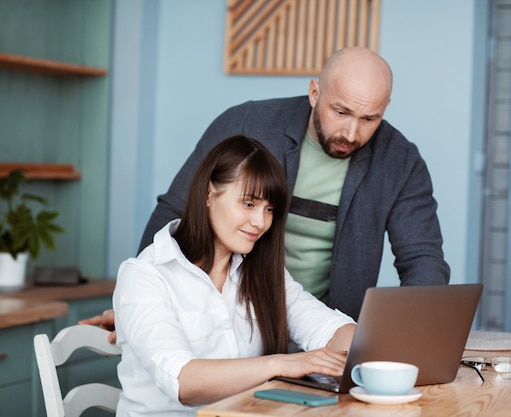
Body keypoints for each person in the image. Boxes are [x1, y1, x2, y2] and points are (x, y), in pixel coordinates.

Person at [83, 46, 450, 340]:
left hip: (325, 328)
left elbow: (423, 260)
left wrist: (408, 335)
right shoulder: (247, 125)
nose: (352, 133)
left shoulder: (401, 161)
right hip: (237, 326)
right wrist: (137, 302)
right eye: (341, 112)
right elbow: (178, 208)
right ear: (314, 92)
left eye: (369, 119)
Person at [113, 135, 355, 416]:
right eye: (249, 204)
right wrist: (283, 364)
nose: (261, 222)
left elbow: (324, 328)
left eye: (269, 210)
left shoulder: (261, 271)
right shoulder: (144, 276)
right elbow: (183, 381)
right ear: (208, 194)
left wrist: (366, 344)